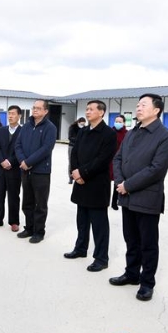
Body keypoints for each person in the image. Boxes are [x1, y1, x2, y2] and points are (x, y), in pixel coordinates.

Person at [108, 93, 168, 302]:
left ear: (156, 110)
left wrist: (128, 185)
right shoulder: (132, 132)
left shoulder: (165, 136)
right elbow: (118, 158)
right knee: (131, 239)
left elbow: (156, 169)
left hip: (147, 198)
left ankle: (147, 283)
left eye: (143, 105)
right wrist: (120, 182)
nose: (138, 108)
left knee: (148, 243)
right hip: (126, 196)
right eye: (138, 105)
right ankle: (131, 274)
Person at [63, 100, 117, 272]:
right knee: (82, 219)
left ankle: (101, 258)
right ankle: (80, 248)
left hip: (96, 183)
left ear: (101, 112)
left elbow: (103, 159)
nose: (87, 112)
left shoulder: (108, 134)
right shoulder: (83, 131)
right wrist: (75, 172)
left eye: (91, 109)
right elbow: (74, 153)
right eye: (86, 109)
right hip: (80, 182)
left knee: (99, 223)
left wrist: (83, 173)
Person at [14, 99, 57, 244]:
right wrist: (22, 161)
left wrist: (29, 162)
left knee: (40, 204)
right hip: (25, 170)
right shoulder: (26, 126)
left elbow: (46, 148)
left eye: (38, 108)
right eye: (34, 108)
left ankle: (39, 232)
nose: (35, 110)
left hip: (41, 171)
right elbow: (18, 145)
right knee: (27, 202)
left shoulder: (50, 128)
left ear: (45, 111)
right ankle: (29, 228)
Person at [0, 105, 22, 232]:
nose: (10, 116)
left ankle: (14, 221)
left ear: (19, 116)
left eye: (13, 113)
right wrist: (1, 161)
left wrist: (10, 161)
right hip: (1, 169)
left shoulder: (23, 132)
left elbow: (22, 150)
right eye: (9, 113)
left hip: (15, 169)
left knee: (14, 196)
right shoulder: (1, 130)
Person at [109, 115, 127, 210]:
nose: (118, 123)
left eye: (120, 122)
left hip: (120, 160)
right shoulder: (110, 132)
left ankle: (114, 202)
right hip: (109, 160)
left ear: (124, 123)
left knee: (118, 181)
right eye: (116, 121)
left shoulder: (127, 134)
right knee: (106, 181)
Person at [67, 117, 86, 184]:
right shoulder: (72, 127)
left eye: (83, 124)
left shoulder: (85, 129)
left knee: (80, 162)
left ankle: (79, 176)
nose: (82, 125)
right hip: (72, 146)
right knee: (71, 162)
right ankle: (70, 177)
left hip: (81, 147)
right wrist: (78, 140)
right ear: (78, 122)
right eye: (81, 124)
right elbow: (70, 137)